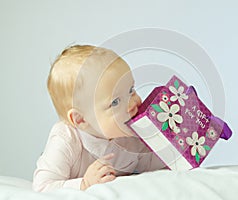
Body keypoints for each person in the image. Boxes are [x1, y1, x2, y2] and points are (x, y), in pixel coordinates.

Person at [33, 45, 165, 192]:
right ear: (81, 120)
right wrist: (84, 184)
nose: (133, 103)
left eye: (131, 90)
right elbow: (42, 186)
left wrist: (172, 143)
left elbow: (149, 164)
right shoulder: (66, 140)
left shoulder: (129, 134)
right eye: (115, 102)